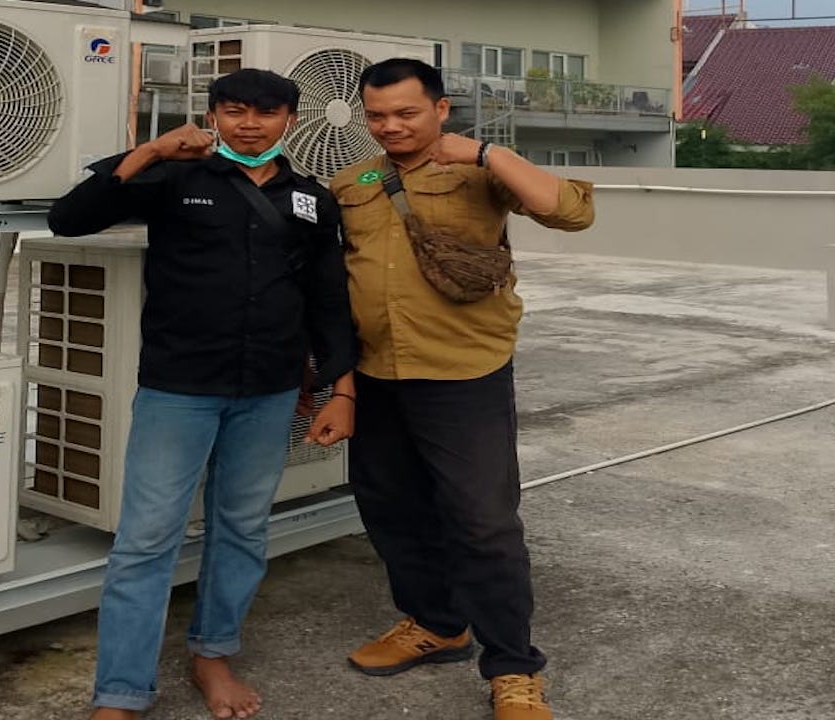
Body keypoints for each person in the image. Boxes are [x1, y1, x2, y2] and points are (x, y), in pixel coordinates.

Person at [48, 68, 357, 720]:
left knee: (242, 528)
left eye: (266, 113)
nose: (251, 124)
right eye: (235, 111)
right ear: (212, 115)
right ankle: (120, 692)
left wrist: (342, 389)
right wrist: (153, 149)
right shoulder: (173, 176)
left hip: (269, 391)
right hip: (178, 389)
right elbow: (69, 219)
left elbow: (329, 301)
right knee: (146, 539)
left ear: (290, 120)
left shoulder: (311, 199)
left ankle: (212, 654)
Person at [329, 58, 594, 720]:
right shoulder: (353, 182)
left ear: (441, 108)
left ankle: (514, 668)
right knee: (391, 508)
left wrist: (486, 152)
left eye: (406, 113)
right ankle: (437, 623)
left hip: (463, 373)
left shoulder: (481, 170)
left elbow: (570, 211)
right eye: (377, 115)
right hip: (377, 372)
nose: (391, 126)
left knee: (483, 522)